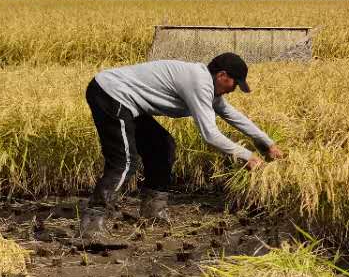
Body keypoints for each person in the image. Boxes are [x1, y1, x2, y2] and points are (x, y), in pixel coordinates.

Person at [77, 52, 283, 243]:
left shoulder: (209, 87)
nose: (233, 89)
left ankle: (152, 211)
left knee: (163, 146)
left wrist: (267, 142)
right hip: (111, 93)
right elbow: (210, 135)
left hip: (128, 101)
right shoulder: (199, 82)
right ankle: (92, 226)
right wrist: (247, 156)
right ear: (222, 75)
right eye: (234, 83)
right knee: (125, 162)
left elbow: (231, 114)